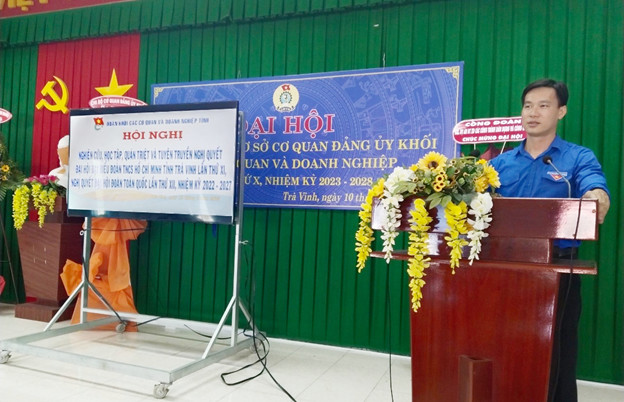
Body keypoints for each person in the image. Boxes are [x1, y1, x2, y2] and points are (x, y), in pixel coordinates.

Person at [489, 79, 610, 402]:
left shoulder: (576, 157)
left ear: (561, 111)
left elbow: (594, 185)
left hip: (558, 270)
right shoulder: (499, 164)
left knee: (558, 351)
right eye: (528, 106)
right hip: (503, 268)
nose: (533, 113)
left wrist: (596, 194)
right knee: (504, 345)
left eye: (543, 106)